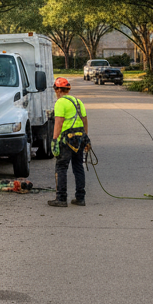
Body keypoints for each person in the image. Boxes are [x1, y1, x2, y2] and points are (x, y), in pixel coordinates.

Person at [48, 77, 88, 208]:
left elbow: (58, 123)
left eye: (55, 90)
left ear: (58, 90)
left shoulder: (60, 103)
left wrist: (54, 140)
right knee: (78, 167)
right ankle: (80, 198)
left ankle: (61, 198)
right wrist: (86, 138)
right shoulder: (78, 102)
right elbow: (84, 121)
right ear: (68, 89)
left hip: (66, 140)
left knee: (61, 168)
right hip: (79, 139)